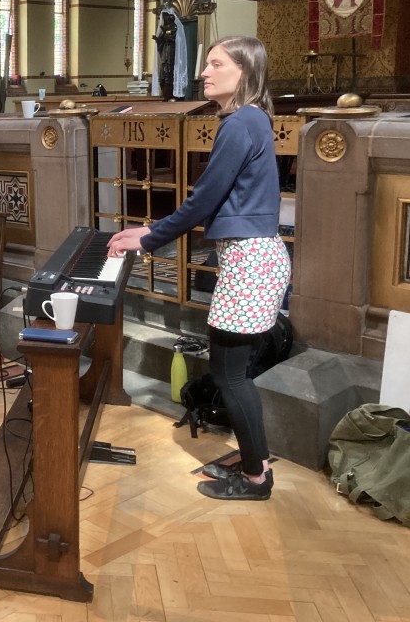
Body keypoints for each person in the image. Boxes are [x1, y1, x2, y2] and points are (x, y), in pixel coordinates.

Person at [108, 36, 291, 502]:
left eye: (216, 64)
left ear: (244, 71)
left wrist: (149, 237)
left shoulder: (241, 122)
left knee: (231, 375)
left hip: (250, 262)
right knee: (234, 373)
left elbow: (204, 199)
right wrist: (151, 229)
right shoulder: (251, 119)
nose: (204, 73)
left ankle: (256, 479)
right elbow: (215, 199)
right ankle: (256, 465)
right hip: (254, 258)